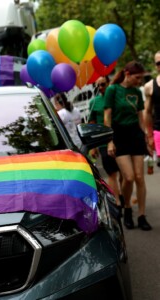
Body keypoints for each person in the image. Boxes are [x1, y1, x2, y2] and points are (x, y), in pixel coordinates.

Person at [104, 61, 152, 231]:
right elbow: (107, 116)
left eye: (141, 78)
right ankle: (127, 209)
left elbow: (140, 116)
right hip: (119, 136)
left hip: (136, 136)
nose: (140, 81)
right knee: (129, 177)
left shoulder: (137, 93)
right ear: (127, 74)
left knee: (140, 177)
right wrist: (109, 140)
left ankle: (142, 215)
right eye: (137, 78)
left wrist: (147, 137)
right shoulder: (113, 90)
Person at [88, 76, 124, 211]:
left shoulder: (115, 98)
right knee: (112, 173)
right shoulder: (93, 102)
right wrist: (92, 146)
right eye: (97, 86)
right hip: (104, 143)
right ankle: (118, 203)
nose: (101, 88)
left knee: (123, 173)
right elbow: (91, 123)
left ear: (108, 83)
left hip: (120, 140)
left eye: (103, 84)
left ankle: (120, 193)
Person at [144, 50, 160, 167]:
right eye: (159, 63)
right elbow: (147, 112)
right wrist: (149, 136)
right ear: (155, 66)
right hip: (158, 131)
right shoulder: (149, 86)